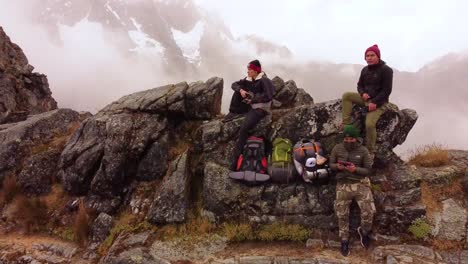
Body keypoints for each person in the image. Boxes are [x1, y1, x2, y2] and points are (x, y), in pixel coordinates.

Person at [341, 44, 393, 161]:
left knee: (369, 124)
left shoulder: (386, 70)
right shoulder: (365, 70)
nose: (369, 58)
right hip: (366, 99)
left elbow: (387, 90)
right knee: (347, 96)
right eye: (367, 56)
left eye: (372, 55)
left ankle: (370, 151)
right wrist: (362, 93)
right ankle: (346, 124)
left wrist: (374, 102)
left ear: (378, 56)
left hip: (380, 103)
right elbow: (359, 85)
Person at [329, 125, 375, 256]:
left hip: (360, 184)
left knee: (369, 212)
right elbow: (330, 165)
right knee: (342, 214)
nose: (349, 141)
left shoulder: (363, 150)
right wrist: (337, 166)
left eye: (351, 138)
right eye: (347, 138)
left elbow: (368, 170)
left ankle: (364, 232)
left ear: (356, 138)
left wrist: (355, 169)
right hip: (343, 184)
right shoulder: (337, 148)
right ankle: (344, 240)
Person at [223, 59, 274, 171]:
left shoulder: (264, 80)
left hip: (260, 108)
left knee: (244, 129)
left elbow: (269, 96)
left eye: (250, 69)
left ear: (256, 71)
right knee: (238, 91)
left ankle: (236, 160)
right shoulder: (249, 80)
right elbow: (234, 84)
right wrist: (241, 90)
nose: (248, 71)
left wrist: (254, 99)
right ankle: (233, 112)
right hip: (251, 105)